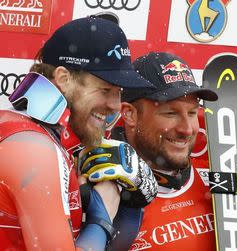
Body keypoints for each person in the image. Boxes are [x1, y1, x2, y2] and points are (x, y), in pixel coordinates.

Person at [0, 16, 156, 250]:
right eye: (105, 89)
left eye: (119, 91)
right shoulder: (34, 149)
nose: (115, 105)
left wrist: (130, 207)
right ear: (64, 79)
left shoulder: (38, 135)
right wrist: (101, 217)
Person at [89, 51, 237, 250]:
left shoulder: (221, 177)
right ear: (130, 114)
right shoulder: (103, 185)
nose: (187, 128)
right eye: (171, 113)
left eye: (192, 112)